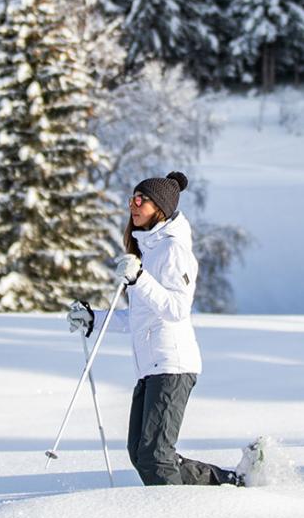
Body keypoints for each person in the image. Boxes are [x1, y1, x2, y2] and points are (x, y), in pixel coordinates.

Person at [68, 171, 247, 487]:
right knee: (141, 452)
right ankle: (228, 483)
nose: (133, 205)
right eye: (132, 199)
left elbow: (176, 309)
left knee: (154, 456)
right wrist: (93, 319)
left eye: (141, 200)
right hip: (151, 367)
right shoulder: (148, 251)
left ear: (160, 207)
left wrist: (140, 279)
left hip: (172, 364)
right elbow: (140, 316)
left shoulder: (173, 250)